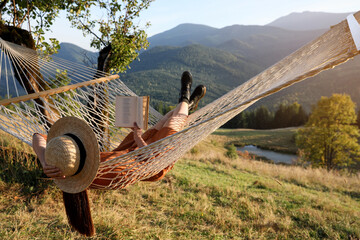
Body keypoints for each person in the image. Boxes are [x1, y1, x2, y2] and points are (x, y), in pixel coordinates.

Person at [32, 71, 206, 189]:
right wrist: (138, 137)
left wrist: (45, 161)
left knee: (163, 121)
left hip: (130, 149)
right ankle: (185, 96)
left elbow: (37, 136)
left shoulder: (65, 163)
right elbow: (149, 161)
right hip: (152, 159)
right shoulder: (102, 174)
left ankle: (188, 103)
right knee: (175, 121)